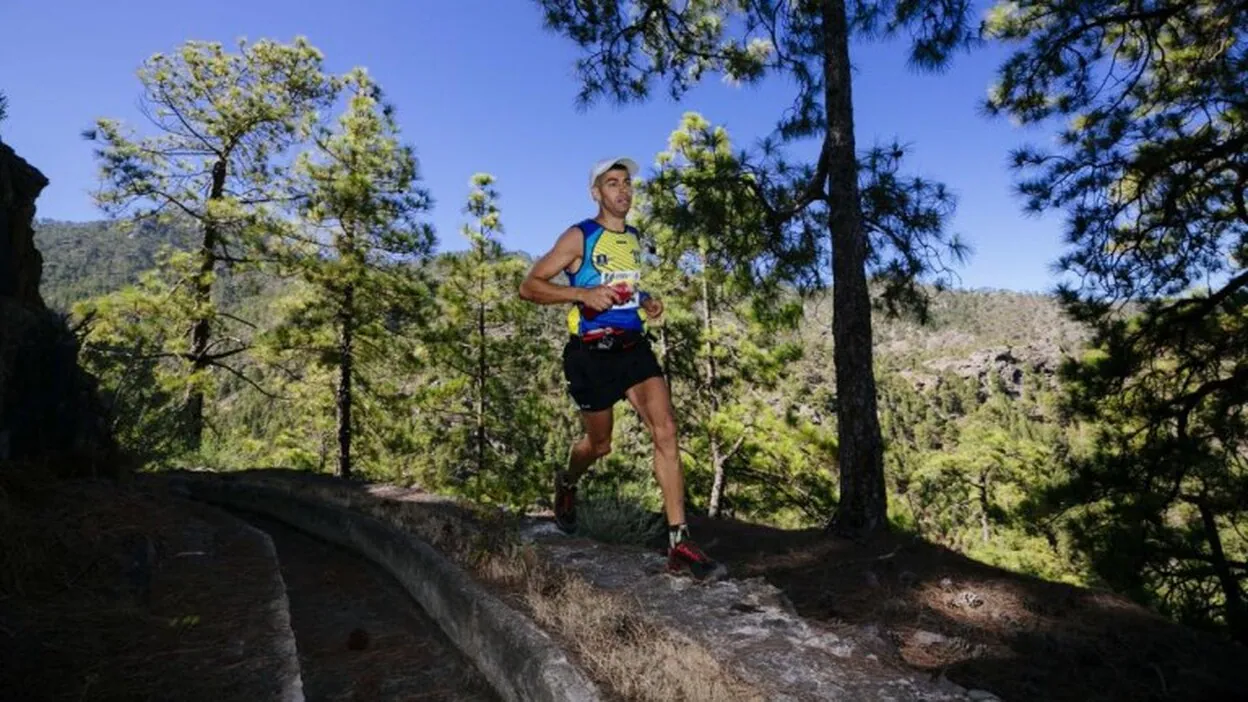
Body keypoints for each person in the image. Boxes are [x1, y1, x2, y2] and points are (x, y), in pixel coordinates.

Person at [518, 157, 726, 581]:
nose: (623, 191)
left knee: (665, 430)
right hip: (590, 354)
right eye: (612, 184)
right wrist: (581, 294)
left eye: (627, 183)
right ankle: (568, 482)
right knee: (599, 446)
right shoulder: (580, 236)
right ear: (597, 193)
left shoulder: (633, 238)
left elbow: (624, 284)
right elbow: (530, 286)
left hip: (633, 348)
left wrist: (646, 300)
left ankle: (679, 543)